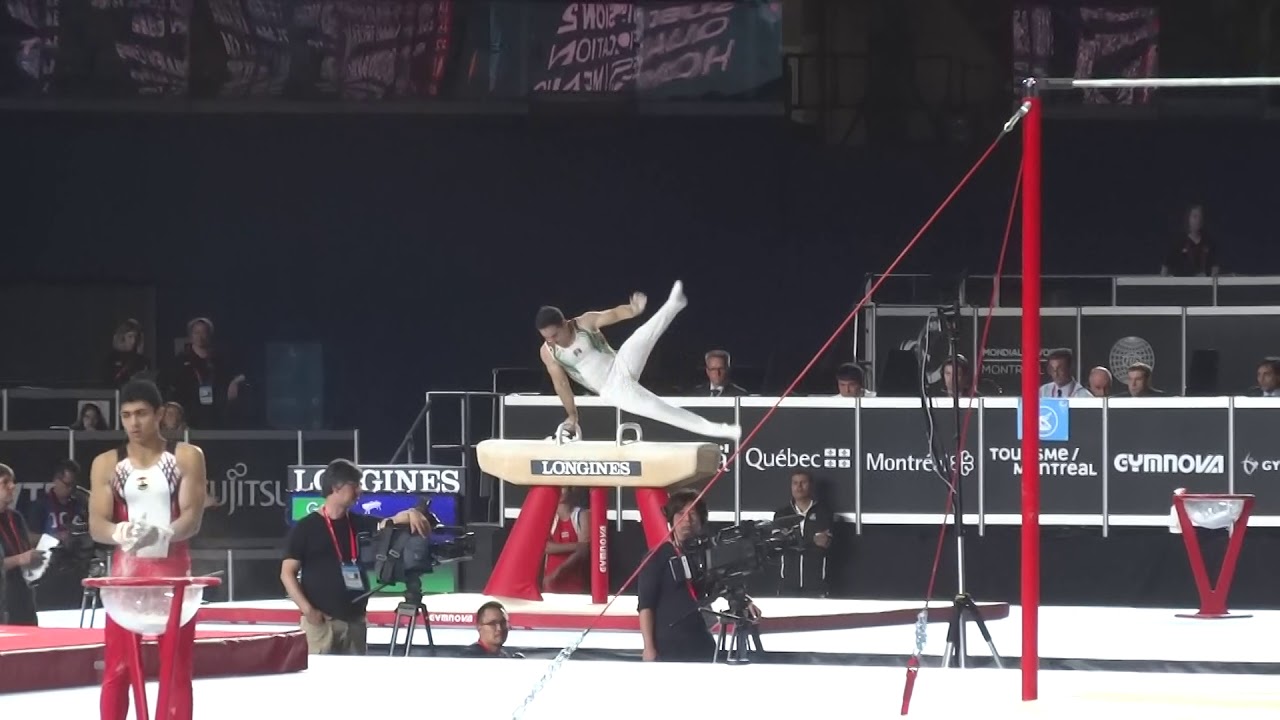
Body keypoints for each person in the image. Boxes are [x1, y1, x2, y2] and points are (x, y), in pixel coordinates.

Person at [87, 379, 209, 720]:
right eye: (126, 416)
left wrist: (164, 533)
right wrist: (119, 531)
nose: (134, 423)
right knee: (118, 669)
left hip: (173, 580)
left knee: (176, 670)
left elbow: (192, 519)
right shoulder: (106, 463)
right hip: (126, 580)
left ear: (160, 415)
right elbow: (97, 524)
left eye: (141, 414)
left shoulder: (186, 456)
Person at [536, 280, 740, 441]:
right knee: (662, 410)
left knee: (641, 336)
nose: (552, 340)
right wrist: (573, 416)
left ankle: (673, 305)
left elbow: (614, 313)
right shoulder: (548, 353)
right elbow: (561, 385)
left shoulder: (584, 323)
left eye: (554, 335)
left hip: (620, 364)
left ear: (563, 323)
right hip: (613, 390)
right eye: (547, 337)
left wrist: (632, 310)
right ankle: (719, 430)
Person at [280, 458, 431, 655]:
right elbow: (287, 573)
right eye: (355, 485)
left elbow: (389, 523)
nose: (360, 491)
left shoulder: (358, 523)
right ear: (337, 487)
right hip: (321, 624)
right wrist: (308, 611)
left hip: (355, 623)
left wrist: (411, 513)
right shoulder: (306, 528)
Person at [0, 463, 44, 626]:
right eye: (5, 482)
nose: (12, 486)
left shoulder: (16, 517)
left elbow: (24, 551)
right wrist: (20, 559)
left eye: (12, 481)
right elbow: (20, 557)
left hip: (24, 600)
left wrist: (35, 558)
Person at [543, 488, 588, 594]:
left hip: (573, 580)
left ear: (570, 490)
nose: (560, 491)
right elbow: (545, 547)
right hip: (550, 581)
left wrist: (558, 572)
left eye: (563, 487)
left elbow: (584, 551)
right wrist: (577, 546)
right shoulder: (548, 515)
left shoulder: (582, 515)